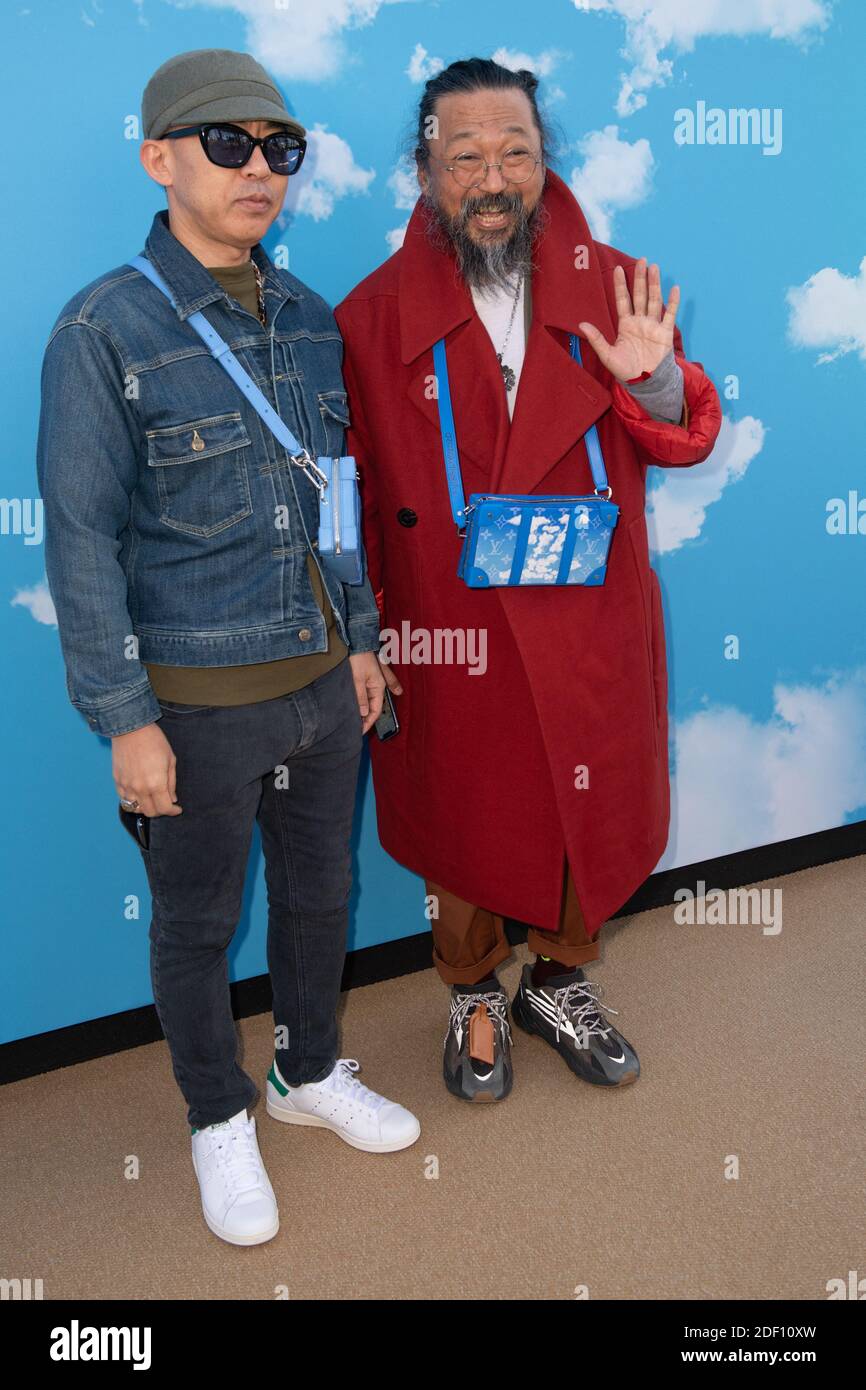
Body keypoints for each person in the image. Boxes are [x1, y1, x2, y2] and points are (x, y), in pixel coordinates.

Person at [36, 47, 419, 1248]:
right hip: (194, 706)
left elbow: (336, 496)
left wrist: (355, 638)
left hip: (317, 682)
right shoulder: (103, 326)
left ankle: (309, 1073)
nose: (262, 170)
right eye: (229, 145)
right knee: (195, 926)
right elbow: (80, 538)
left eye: (281, 150)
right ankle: (217, 1115)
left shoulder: (306, 320)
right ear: (160, 158)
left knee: (320, 897)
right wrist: (123, 716)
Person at [335, 57, 722, 1102]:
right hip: (448, 625)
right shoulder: (367, 320)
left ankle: (555, 978)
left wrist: (647, 373)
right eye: (465, 156)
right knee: (466, 814)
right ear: (424, 171)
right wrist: (363, 632)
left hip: (588, 615)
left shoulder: (618, 284)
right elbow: (354, 495)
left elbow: (682, 435)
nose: (492, 176)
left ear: (543, 163)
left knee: (579, 806)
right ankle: (470, 989)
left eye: (514, 151)